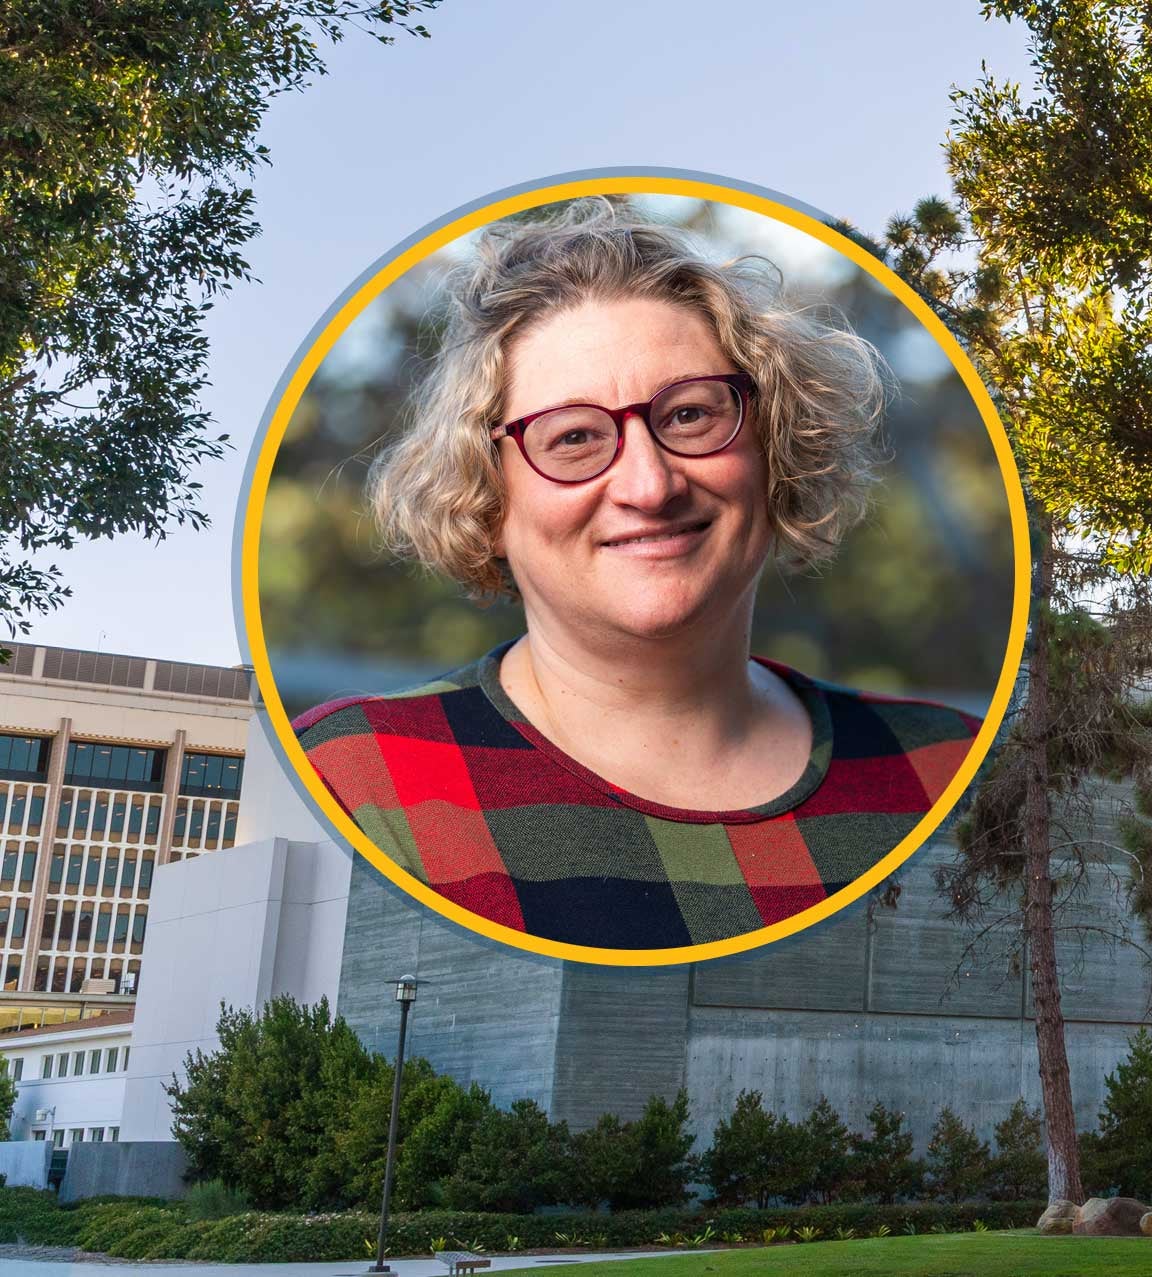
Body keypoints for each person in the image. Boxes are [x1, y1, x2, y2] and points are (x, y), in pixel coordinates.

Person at [295, 203, 980, 950]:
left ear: (774, 449)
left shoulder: (952, 769)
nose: (650, 486)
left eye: (688, 415)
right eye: (574, 437)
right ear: (488, 499)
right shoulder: (358, 777)